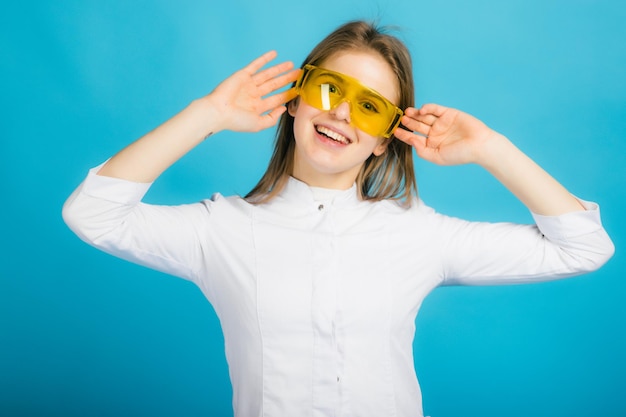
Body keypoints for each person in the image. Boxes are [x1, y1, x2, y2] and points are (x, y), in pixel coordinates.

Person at [63, 20, 614, 417]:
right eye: (329, 89)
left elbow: (584, 247)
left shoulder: (420, 234)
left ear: (382, 141)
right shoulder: (220, 230)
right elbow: (93, 213)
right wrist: (206, 114)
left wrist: (492, 147)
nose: (342, 114)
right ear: (298, 100)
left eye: (370, 107)